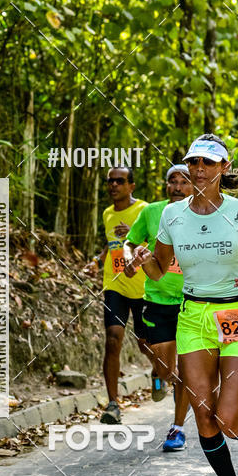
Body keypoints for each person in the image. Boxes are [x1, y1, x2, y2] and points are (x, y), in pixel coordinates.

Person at [131, 133, 238, 476]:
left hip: (237, 315)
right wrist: (142, 259)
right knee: (203, 416)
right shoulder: (171, 215)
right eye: (193, 162)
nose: (199, 169)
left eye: (208, 162)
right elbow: (158, 270)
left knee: (229, 421)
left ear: (223, 168)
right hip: (193, 316)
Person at [124, 165, 193, 451]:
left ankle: (177, 428)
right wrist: (131, 259)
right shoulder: (153, 212)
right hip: (157, 300)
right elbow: (130, 242)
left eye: (184, 182)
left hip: (192, 301)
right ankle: (158, 374)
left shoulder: (204, 213)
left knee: (186, 371)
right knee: (167, 371)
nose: (177, 187)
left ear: (194, 185)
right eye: (172, 181)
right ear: (165, 186)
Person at [99, 167, 151, 424]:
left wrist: (132, 232)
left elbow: (159, 242)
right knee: (112, 338)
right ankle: (112, 404)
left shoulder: (145, 210)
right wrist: (97, 260)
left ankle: (161, 373)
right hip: (115, 284)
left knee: (145, 343)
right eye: (110, 181)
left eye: (120, 181)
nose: (114, 185)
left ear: (131, 186)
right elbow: (111, 244)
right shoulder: (107, 213)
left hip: (143, 287)